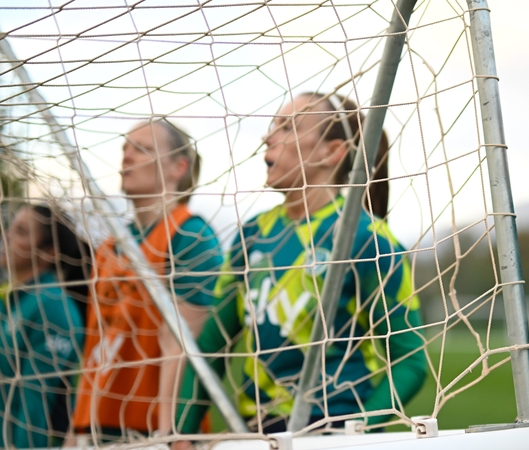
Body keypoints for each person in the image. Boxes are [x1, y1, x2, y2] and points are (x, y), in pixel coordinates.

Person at [172, 93, 426, 439]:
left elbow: (410, 361)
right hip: (257, 433)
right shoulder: (252, 235)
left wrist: (356, 434)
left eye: (287, 126)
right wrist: (181, 434)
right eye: (272, 125)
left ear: (332, 152)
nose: (267, 136)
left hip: (332, 427)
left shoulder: (368, 240)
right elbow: (211, 349)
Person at [71, 119, 223, 442]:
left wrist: (171, 433)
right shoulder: (110, 247)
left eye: (141, 149)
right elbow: (95, 341)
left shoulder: (189, 235)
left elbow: (182, 346)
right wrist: (76, 427)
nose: (127, 156)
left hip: (151, 428)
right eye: (126, 148)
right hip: (96, 421)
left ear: (178, 167)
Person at [0, 204, 88, 448]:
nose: (6, 235)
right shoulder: (17, 301)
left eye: (21, 232)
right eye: (10, 228)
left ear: (48, 252)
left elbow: (35, 401)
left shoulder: (52, 306)